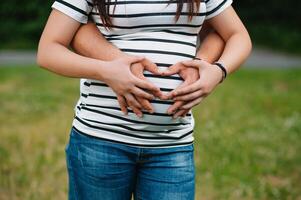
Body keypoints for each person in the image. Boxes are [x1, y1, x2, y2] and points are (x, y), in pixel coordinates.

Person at [37, 0, 252, 199]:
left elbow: (237, 34)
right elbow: (48, 50)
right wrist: (105, 71)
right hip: (101, 140)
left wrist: (218, 71)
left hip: (173, 144)